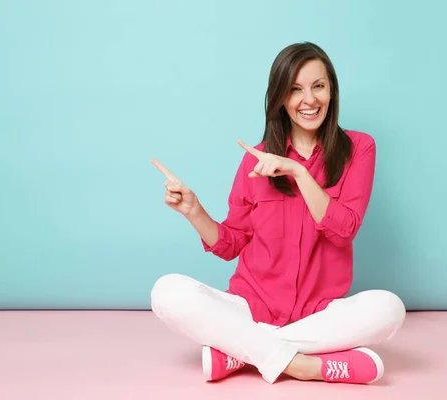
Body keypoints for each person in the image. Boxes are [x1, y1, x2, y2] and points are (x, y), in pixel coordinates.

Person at [150, 42, 406, 385]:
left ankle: (241, 352)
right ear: (280, 98)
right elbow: (230, 244)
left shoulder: (359, 148)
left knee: (389, 309)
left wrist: (298, 173)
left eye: (318, 86)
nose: (309, 99)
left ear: (332, 90)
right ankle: (304, 365)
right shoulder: (255, 160)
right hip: (251, 309)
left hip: (319, 315)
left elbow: (344, 230)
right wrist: (193, 211)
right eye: (295, 89)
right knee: (167, 292)